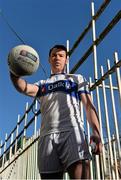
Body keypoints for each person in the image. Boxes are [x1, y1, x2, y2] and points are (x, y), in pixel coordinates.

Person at [10, 44, 102, 179]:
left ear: (66, 60)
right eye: (53, 55)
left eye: (61, 55)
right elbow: (23, 87)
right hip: (47, 137)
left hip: (72, 131)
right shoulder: (42, 84)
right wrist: (14, 71)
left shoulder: (76, 79)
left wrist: (96, 131)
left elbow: (88, 105)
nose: (57, 58)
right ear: (49, 60)